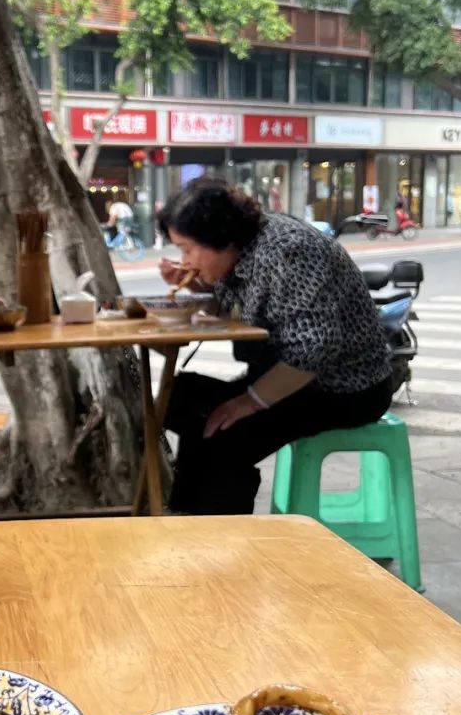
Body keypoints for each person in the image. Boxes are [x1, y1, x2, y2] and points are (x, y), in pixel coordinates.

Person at [158, 184, 393, 515]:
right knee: (182, 396)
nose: (185, 260)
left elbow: (314, 348)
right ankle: (186, 516)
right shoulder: (242, 250)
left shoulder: (288, 251)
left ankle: (222, 545)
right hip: (288, 376)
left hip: (345, 388)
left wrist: (249, 402)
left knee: (225, 435)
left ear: (220, 238)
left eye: (188, 250)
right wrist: (195, 283)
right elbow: (234, 307)